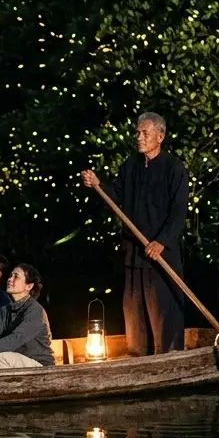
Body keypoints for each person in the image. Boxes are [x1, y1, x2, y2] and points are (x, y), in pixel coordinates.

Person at [80, 111, 188, 356]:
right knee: (134, 310)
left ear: (160, 136)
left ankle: (169, 359)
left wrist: (161, 241)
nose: (139, 137)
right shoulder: (130, 166)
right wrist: (98, 185)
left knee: (163, 309)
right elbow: (115, 198)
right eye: (137, 132)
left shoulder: (174, 168)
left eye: (145, 133)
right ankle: (140, 358)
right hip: (134, 252)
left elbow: (179, 211)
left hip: (161, 254)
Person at [0, 263, 55, 369]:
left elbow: (16, 338)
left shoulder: (35, 311)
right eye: (10, 276)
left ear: (29, 286)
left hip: (39, 366)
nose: (10, 279)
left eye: (16, 277)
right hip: (16, 361)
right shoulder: (6, 309)